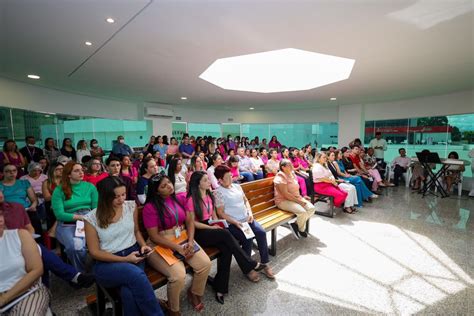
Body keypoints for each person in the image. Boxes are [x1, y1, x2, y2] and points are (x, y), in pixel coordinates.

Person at [84, 177, 164, 316]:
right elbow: (94, 252)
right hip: (107, 262)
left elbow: (136, 231)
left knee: (129, 293)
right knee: (136, 276)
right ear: (104, 197)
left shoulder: (130, 206)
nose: (121, 199)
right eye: (116, 197)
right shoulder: (91, 218)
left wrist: (144, 245)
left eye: (123, 194)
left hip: (133, 254)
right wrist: (125, 260)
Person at [187, 171, 261, 304]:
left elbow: (214, 215)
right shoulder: (191, 200)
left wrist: (217, 224)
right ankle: (249, 264)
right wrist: (212, 227)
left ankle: (220, 288)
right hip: (201, 231)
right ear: (198, 184)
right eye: (205, 180)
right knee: (226, 233)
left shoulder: (209, 194)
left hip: (212, 226)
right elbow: (192, 223)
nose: (209, 182)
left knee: (226, 250)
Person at [144, 174, 211, 315]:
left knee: (205, 264)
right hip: (159, 244)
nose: (169, 186)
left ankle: (194, 292)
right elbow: (154, 236)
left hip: (182, 237)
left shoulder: (180, 198)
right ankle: (173, 309)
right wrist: (178, 248)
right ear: (156, 191)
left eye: (169, 182)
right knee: (178, 275)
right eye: (163, 186)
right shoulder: (150, 208)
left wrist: (191, 241)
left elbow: (189, 222)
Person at [1, 191, 95, 290]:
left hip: (24, 242)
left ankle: (49, 288)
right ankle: (74, 276)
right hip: (7, 250)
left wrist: (24, 240)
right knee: (40, 251)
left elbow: (30, 228)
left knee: (38, 251)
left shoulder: (16, 207)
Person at [214, 165, 275, 279]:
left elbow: (246, 201)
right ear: (220, 180)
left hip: (247, 219)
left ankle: (265, 263)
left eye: (231, 175)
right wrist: (236, 222)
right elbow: (221, 213)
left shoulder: (237, 187)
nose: (231, 178)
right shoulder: (218, 192)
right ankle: (248, 269)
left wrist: (250, 213)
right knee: (247, 238)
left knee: (261, 232)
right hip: (233, 224)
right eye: (227, 177)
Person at [0, 212, 51, 316]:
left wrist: (4, 298)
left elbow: (37, 270)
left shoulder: (20, 235)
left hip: (28, 292)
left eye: (0, 215)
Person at [52, 161, 98, 271]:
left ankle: (98, 268)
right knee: (75, 248)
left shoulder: (90, 187)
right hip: (68, 223)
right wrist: (80, 217)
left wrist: (88, 218)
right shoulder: (59, 190)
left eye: (82, 170)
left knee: (106, 240)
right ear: (68, 174)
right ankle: (80, 273)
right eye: (76, 171)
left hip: (89, 219)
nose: (81, 173)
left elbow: (96, 208)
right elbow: (59, 214)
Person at [274, 160, 316, 238]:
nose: (292, 166)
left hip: (296, 198)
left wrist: (300, 199)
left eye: (291, 164)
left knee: (311, 208)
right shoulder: (280, 177)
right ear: (283, 167)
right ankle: (301, 229)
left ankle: (296, 224)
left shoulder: (292, 173)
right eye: (289, 165)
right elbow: (285, 194)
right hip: (283, 201)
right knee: (302, 212)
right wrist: (299, 202)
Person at [0, 164, 41, 237]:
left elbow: (34, 200)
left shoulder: (24, 183)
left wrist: (33, 206)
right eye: (8, 171)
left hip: (26, 210)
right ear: (2, 173)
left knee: (35, 217)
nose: (12, 173)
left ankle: (37, 243)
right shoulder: (0, 185)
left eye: (14, 170)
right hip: (8, 211)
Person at [42, 161, 63, 240]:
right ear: (52, 170)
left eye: (62, 169)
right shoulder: (47, 182)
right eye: (58, 169)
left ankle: (54, 232)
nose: (61, 171)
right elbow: (47, 197)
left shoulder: (67, 181)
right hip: (52, 204)